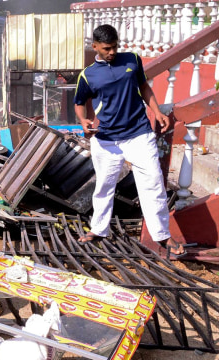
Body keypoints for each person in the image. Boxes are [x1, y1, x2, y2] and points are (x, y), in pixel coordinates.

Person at [73, 24, 186, 258]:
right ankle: (98, 230)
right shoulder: (88, 74)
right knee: (104, 185)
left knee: (153, 182)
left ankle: (162, 235)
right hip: (106, 139)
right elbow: (80, 102)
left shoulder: (132, 60)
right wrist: (84, 121)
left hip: (138, 132)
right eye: (106, 48)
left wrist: (157, 111)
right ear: (95, 46)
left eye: (114, 46)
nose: (112, 52)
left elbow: (144, 87)